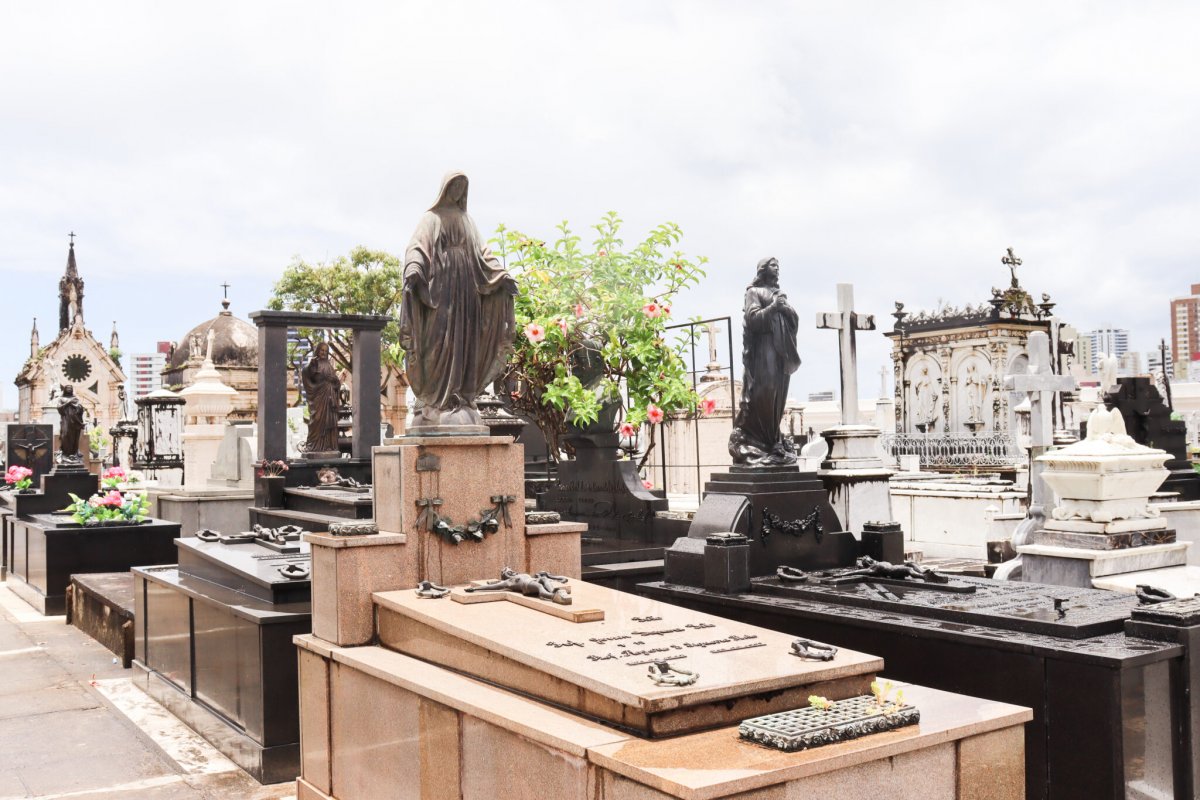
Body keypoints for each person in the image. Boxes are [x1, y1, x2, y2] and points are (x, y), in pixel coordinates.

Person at [399, 172, 517, 430]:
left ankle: (461, 397)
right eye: (454, 186)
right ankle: (436, 400)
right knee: (439, 341)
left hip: (466, 290)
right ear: (445, 188)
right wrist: (414, 268)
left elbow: (483, 254)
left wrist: (501, 275)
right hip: (440, 290)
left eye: (462, 187)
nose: (458, 191)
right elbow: (418, 247)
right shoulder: (431, 219)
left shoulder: (468, 221)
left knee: (465, 342)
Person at [727, 257, 801, 465]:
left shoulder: (780, 295)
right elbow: (753, 319)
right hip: (764, 350)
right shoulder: (754, 293)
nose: (777, 268)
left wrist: (785, 309)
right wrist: (774, 308)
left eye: (778, 265)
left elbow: (794, 322)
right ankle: (757, 438)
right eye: (772, 265)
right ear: (762, 270)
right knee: (765, 392)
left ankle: (772, 440)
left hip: (781, 353)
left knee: (779, 395)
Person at [302, 342, 341, 454]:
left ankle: (329, 446)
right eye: (321, 350)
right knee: (317, 419)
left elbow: (336, 383)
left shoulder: (329, 365)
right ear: (317, 351)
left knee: (330, 422)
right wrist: (311, 366)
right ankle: (313, 446)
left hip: (330, 398)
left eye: (325, 351)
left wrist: (335, 382)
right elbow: (307, 373)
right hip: (318, 397)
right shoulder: (314, 363)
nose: (323, 352)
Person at [57, 384, 87, 464]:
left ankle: (73, 454)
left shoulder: (75, 399)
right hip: (66, 420)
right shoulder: (61, 398)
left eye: (70, 388)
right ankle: (65, 453)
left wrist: (79, 408)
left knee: (74, 437)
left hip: (75, 421)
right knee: (65, 435)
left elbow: (80, 408)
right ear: (65, 389)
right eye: (68, 388)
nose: (69, 389)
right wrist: (68, 403)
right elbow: (59, 408)